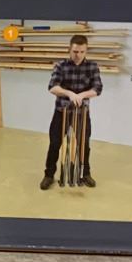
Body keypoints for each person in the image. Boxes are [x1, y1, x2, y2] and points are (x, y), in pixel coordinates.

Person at [41, 33, 102, 189]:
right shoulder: (60, 66)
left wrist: (81, 95)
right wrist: (69, 93)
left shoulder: (92, 66)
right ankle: (49, 175)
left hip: (82, 114)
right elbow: (52, 87)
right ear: (69, 49)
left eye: (82, 52)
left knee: (84, 145)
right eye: (75, 51)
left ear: (86, 51)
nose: (78, 55)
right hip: (61, 112)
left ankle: (85, 174)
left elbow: (97, 89)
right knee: (55, 144)